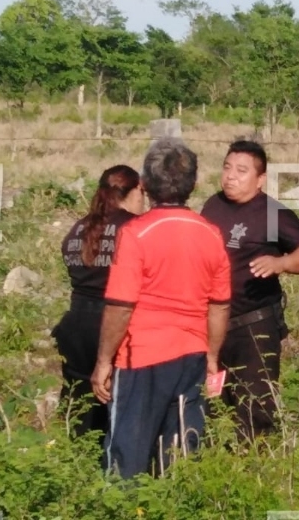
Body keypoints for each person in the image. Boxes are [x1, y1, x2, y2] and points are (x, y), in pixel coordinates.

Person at [90, 138, 232, 480]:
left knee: (127, 456)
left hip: (142, 357)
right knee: (182, 454)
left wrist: (103, 361)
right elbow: (219, 305)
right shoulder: (211, 234)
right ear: (193, 184)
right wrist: (211, 356)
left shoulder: (136, 233)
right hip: (192, 355)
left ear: (147, 184)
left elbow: (121, 306)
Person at [201, 139, 299, 439]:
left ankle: (255, 465)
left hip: (254, 325)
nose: (230, 176)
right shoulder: (213, 205)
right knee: (213, 404)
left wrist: (282, 262)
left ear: (260, 179)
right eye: (227, 168)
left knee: (255, 407)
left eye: (241, 171)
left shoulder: (271, 214)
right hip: (211, 323)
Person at [53, 164, 145, 440]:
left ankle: (76, 465)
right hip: (113, 325)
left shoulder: (77, 228)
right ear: (136, 191)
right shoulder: (133, 228)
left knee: (80, 406)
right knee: (117, 406)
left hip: (75, 326)